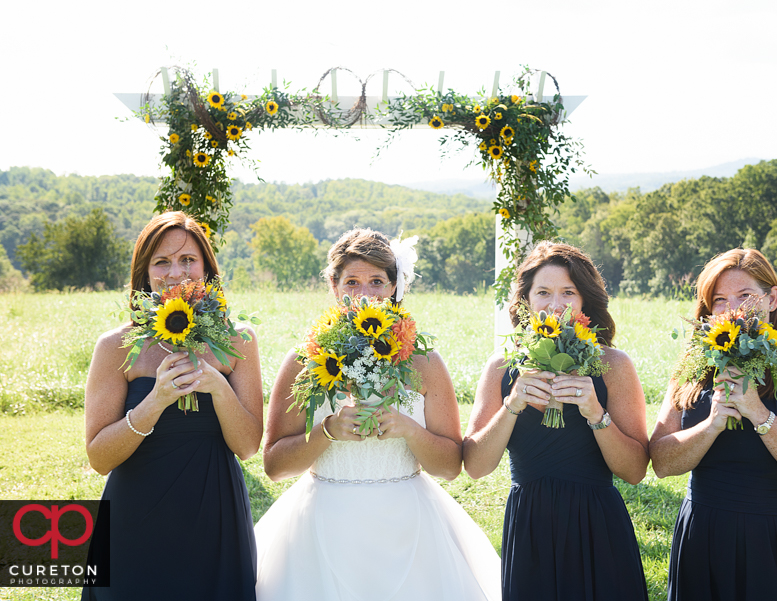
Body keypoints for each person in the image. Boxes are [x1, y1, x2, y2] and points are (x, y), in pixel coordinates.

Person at [254, 228, 501, 601]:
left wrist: (409, 430)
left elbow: (450, 467)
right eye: (352, 282)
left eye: (376, 282)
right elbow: (274, 466)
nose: (365, 294)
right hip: (322, 525)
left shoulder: (426, 362)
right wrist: (327, 431)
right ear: (334, 287)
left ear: (394, 287)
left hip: (409, 524)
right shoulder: (302, 361)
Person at [82, 212, 263, 600]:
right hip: (135, 518)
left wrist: (217, 386)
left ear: (206, 269)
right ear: (144, 273)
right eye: (161, 262)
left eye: (188, 260)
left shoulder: (238, 340)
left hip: (216, 519)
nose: (176, 272)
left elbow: (248, 447)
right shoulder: (114, 347)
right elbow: (99, 458)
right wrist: (156, 400)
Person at [649, 248, 777, 601]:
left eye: (745, 296)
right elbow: (662, 463)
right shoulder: (689, 373)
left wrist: (759, 415)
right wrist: (710, 425)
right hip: (703, 539)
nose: (731, 310)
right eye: (719, 300)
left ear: (772, 298)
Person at [463, 241, 650, 601]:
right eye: (543, 292)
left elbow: (635, 471)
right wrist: (512, 404)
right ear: (526, 301)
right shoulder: (501, 367)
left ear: (585, 302)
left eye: (568, 292)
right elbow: (475, 466)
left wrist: (597, 414)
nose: (555, 304)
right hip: (530, 525)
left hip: (597, 523)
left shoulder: (614, 365)